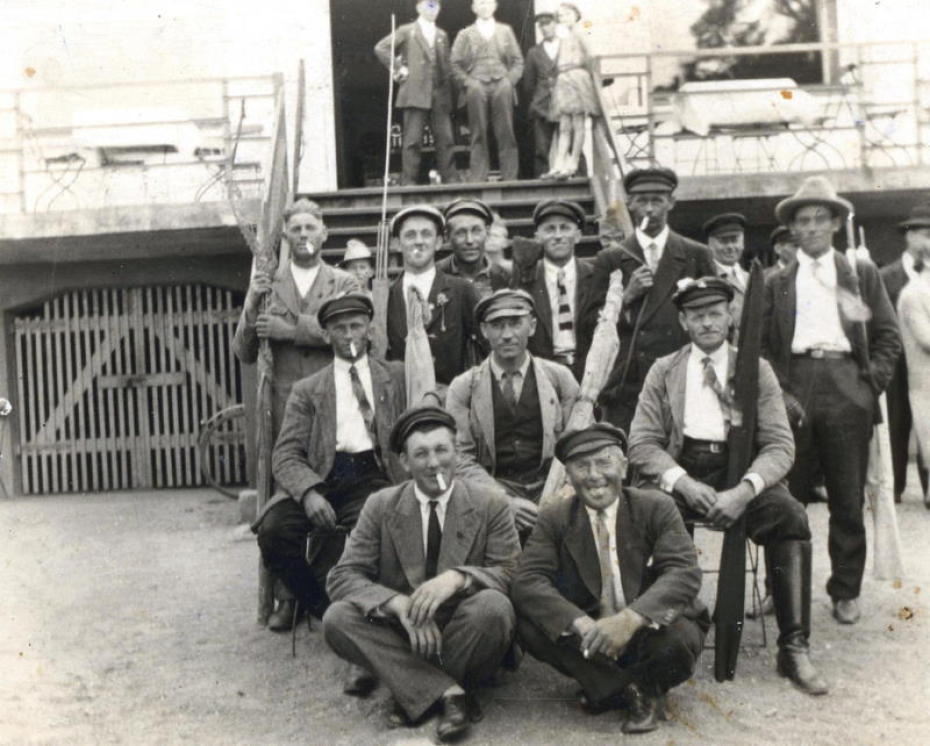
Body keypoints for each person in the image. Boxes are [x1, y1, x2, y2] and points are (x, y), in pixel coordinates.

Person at [628, 277, 828, 696]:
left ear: (730, 316)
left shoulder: (755, 368)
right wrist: (683, 483)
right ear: (683, 321)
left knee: (790, 515)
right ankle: (663, 634)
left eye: (715, 313)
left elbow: (779, 445)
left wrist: (745, 490)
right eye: (696, 315)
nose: (707, 323)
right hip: (682, 471)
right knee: (645, 514)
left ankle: (794, 646)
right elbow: (641, 443)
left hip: (741, 473)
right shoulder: (664, 370)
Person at [323, 406, 520, 742]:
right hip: (407, 633)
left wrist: (459, 578)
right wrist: (397, 605)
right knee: (337, 618)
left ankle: (414, 690)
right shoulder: (381, 504)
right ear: (404, 462)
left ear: (457, 452)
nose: (433, 463)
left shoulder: (491, 503)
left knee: (494, 607)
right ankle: (450, 694)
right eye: (421, 454)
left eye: (442, 450)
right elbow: (342, 576)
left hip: (464, 631)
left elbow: (511, 573)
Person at [762, 175, 901, 625]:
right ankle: (780, 587)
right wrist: (779, 393)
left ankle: (845, 589)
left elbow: (887, 335)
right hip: (794, 383)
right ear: (792, 228)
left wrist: (868, 386)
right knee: (786, 495)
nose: (812, 227)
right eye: (803, 220)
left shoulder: (859, 274)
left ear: (837, 224)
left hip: (846, 385)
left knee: (846, 494)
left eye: (821, 219)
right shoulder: (777, 281)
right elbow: (761, 347)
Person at [251, 293, 407, 692]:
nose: (349, 335)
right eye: (340, 328)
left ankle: (359, 650)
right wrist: (308, 493)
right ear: (326, 335)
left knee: (367, 542)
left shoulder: (395, 377)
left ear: (369, 330)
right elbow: (285, 453)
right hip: (323, 476)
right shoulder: (309, 389)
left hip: (374, 476)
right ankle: (325, 610)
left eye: (356, 326)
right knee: (273, 531)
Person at [511, 423, 708, 734]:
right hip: (592, 634)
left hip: (646, 630)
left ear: (624, 468)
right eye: (581, 466)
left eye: (604, 462)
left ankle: (606, 686)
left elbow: (684, 572)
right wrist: (580, 623)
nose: (594, 475)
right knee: (528, 623)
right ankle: (634, 692)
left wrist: (630, 619)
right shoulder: (555, 517)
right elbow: (527, 580)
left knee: (678, 641)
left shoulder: (656, 506)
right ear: (568, 475)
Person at [233, 198, 359, 631]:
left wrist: (293, 330)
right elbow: (243, 350)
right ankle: (288, 597)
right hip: (283, 412)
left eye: (311, 228)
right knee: (282, 503)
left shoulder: (343, 282)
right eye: (296, 229)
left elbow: (359, 338)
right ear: (285, 236)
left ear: (324, 234)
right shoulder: (269, 284)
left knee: (332, 498)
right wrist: (253, 301)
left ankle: (333, 589)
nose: (304, 236)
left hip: (336, 407)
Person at [578, 167, 715, 432]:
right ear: (629, 203)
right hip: (628, 386)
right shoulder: (611, 258)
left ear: (671, 202)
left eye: (657, 200)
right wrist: (626, 296)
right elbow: (588, 324)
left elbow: (716, 319)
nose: (649, 209)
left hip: (682, 377)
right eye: (642, 201)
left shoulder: (695, 254)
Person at [446, 289, 579, 539]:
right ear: (484, 330)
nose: (507, 335)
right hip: (492, 492)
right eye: (497, 325)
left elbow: (578, 447)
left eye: (516, 323)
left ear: (532, 326)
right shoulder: (464, 388)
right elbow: (459, 458)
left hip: (553, 488)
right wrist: (501, 500)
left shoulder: (559, 379)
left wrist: (557, 496)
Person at [386, 204, 483, 386]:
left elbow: (487, 345)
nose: (419, 242)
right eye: (410, 235)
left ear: (438, 242)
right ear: (397, 244)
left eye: (426, 234)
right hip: (402, 397)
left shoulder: (461, 291)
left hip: (450, 397)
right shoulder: (386, 297)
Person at [374, 0, 457, 185]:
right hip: (414, 93)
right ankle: (408, 183)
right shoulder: (407, 30)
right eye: (429, 4)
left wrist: (448, 96)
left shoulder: (442, 35)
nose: (433, 9)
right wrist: (398, 68)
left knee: (446, 140)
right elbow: (381, 48)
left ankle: (451, 182)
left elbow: (446, 68)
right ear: (419, 7)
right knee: (412, 142)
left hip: (439, 95)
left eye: (436, 5)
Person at [881, 201, 930, 503]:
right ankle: (895, 487)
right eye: (926, 234)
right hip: (896, 363)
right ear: (909, 235)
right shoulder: (887, 276)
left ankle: (928, 487)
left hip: (924, 366)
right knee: (896, 423)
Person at [511, 199, 595, 372]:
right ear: (538, 237)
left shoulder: (594, 276)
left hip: (588, 368)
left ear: (578, 236)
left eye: (565, 228)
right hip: (541, 370)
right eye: (550, 229)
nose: (558, 236)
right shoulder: (524, 280)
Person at [450, 0, 524, 182]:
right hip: (476, 85)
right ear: (474, 8)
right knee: (478, 131)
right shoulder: (465, 34)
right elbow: (454, 63)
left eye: (488, 2)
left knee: (506, 130)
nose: (484, 6)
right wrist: (468, 82)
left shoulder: (505, 31)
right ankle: (478, 178)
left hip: (502, 84)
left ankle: (510, 178)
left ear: (495, 6)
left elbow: (518, 61)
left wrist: (509, 81)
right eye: (480, 3)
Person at [545, 3, 599, 179]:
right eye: (561, 16)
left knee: (578, 123)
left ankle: (573, 162)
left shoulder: (580, 34)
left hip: (577, 79)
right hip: (564, 80)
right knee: (564, 125)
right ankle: (559, 163)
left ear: (576, 15)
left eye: (567, 14)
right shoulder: (565, 37)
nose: (564, 18)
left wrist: (589, 77)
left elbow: (591, 56)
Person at [436, 198, 511, 299]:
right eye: (461, 233)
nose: (469, 240)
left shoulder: (505, 277)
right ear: (447, 236)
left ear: (487, 233)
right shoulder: (434, 275)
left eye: (476, 231)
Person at [522, 12, 560, 178]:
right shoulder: (534, 52)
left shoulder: (567, 47)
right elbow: (528, 85)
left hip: (565, 102)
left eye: (549, 23)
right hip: (542, 105)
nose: (545, 28)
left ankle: (579, 177)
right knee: (542, 149)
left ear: (556, 24)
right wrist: (538, 100)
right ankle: (541, 181)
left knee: (572, 145)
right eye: (542, 25)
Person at [703, 212, 749, 338]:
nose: (730, 247)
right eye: (723, 241)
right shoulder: (707, 278)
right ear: (710, 244)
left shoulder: (752, 278)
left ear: (743, 242)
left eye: (735, 240)